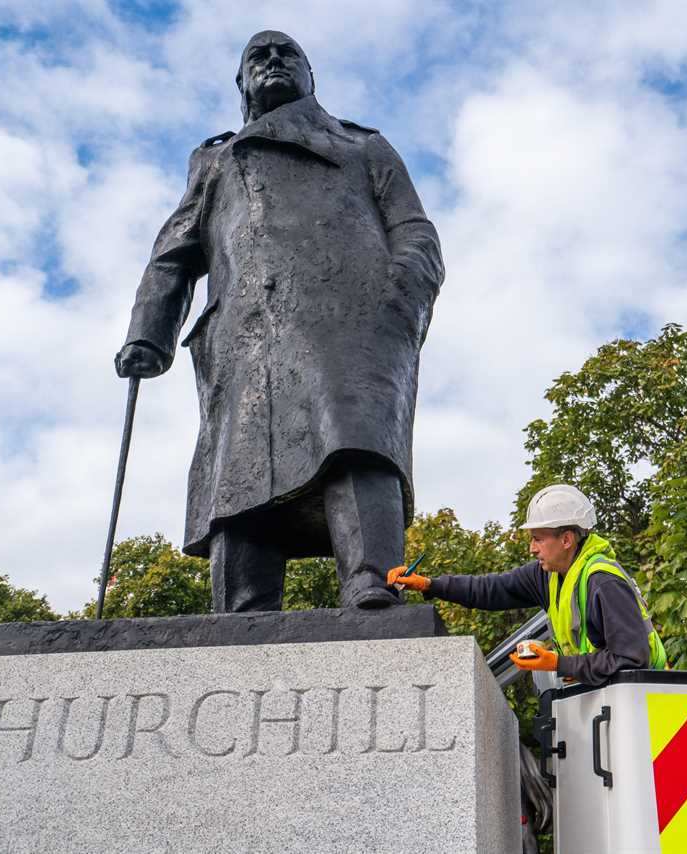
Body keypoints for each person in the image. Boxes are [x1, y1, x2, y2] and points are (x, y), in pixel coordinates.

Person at [115, 31, 444, 612]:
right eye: (257, 57)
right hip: (247, 332)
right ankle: (242, 607)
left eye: (286, 53)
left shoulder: (362, 145)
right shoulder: (216, 158)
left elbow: (415, 231)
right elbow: (174, 251)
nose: (272, 62)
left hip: (350, 320)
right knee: (241, 473)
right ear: (241, 83)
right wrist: (149, 332)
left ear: (311, 78)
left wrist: (397, 301)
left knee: (354, 442)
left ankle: (371, 579)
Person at [389, 484, 667, 684]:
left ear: (567, 539)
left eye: (538, 538)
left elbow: (631, 660)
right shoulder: (548, 574)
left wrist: (558, 663)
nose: (532, 548)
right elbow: (489, 590)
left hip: (644, 706)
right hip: (606, 702)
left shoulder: (603, 582)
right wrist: (428, 584)